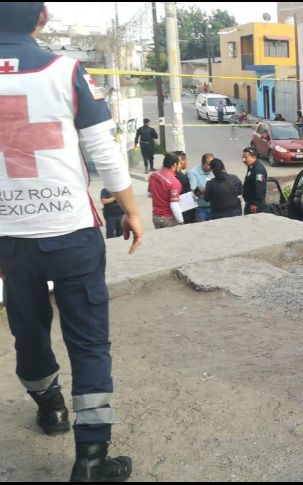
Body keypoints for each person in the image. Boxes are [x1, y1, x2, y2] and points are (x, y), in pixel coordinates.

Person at [0, 3, 142, 481]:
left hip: (8, 237)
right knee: (89, 344)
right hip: (71, 232)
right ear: (41, 19)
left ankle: (50, 408)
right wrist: (134, 211)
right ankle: (91, 461)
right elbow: (103, 149)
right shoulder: (65, 70)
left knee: (28, 330)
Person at [147, 152, 184, 229]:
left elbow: (149, 194)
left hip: (156, 217)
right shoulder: (174, 182)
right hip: (168, 219)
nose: (180, 166)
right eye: (179, 163)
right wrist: (181, 222)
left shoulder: (153, 175)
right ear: (174, 165)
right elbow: (174, 205)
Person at [241, 146, 269, 215]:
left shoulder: (258, 170)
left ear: (253, 157)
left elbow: (260, 188)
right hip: (249, 203)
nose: (243, 160)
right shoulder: (251, 166)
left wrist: (255, 204)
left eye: (246, 158)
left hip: (256, 206)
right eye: (243, 157)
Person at [189, 152, 215, 222]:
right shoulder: (193, 172)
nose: (212, 167)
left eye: (213, 164)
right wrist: (208, 188)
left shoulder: (214, 170)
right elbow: (194, 192)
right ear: (202, 163)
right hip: (201, 208)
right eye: (209, 164)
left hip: (214, 207)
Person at [173, 151, 196, 224]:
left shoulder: (168, 176)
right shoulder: (182, 178)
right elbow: (187, 197)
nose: (186, 162)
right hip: (184, 213)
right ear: (180, 162)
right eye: (185, 160)